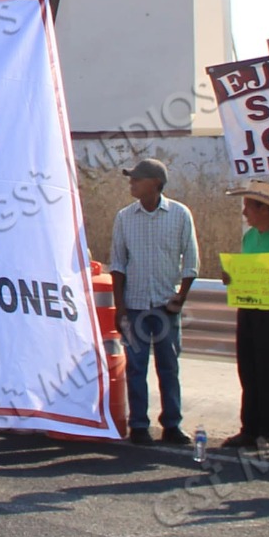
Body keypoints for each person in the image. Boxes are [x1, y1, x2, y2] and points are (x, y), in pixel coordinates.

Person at [108, 158, 196, 445]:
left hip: (164, 305)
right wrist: (119, 307)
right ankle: (139, 425)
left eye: (137, 178)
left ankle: (172, 424)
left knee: (168, 365)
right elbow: (118, 264)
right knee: (136, 366)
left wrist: (180, 298)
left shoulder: (180, 215)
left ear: (155, 184)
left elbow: (191, 262)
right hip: (134, 305)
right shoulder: (124, 217)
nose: (131, 183)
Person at [221, 180, 269, 451]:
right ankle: (249, 428)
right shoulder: (249, 237)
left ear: (263, 209)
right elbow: (246, 269)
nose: (244, 214)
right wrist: (232, 277)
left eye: (248, 208)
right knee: (249, 369)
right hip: (250, 308)